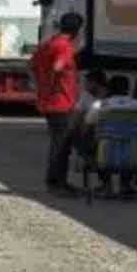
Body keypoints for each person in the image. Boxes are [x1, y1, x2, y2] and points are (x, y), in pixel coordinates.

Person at [31, 12, 84, 196]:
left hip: (48, 102)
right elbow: (57, 67)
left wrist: (40, 86)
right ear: (76, 31)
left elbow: (32, 65)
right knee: (62, 146)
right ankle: (57, 184)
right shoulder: (65, 46)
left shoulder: (48, 44)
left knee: (57, 143)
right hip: (61, 103)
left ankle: (56, 182)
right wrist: (53, 86)